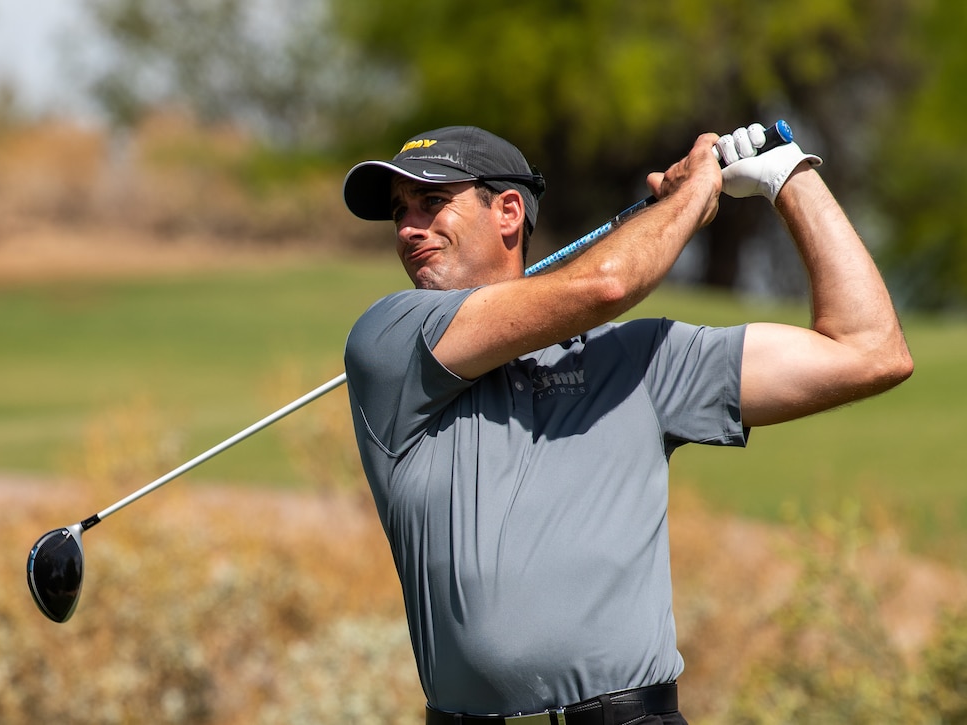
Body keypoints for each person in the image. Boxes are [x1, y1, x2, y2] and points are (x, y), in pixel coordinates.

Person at [340, 124, 913, 724]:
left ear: (508, 211)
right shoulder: (390, 339)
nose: (409, 228)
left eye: (433, 203)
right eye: (399, 212)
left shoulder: (640, 359)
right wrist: (695, 194)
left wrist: (789, 178)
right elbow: (607, 284)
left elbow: (871, 351)